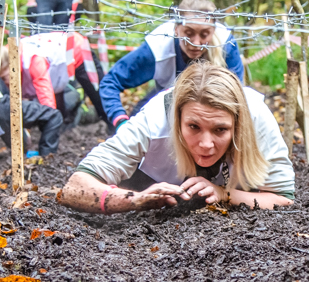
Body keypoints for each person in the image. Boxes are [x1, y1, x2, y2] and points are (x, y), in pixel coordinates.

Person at [59, 62, 294, 213]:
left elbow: (283, 199)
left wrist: (224, 194)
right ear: (176, 119)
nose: (206, 144)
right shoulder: (153, 120)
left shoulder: (256, 119)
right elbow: (75, 186)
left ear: (238, 125)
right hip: (150, 179)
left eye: (220, 130)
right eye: (193, 126)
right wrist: (135, 199)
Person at [99, 0, 245, 130]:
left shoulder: (226, 46)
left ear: (213, 30)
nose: (196, 43)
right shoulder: (157, 48)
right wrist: (120, 121)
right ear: (176, 29)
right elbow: (111, 82)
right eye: (188, 33)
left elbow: (238, 96)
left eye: (204, 34)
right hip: (166, 103)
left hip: (213, 112)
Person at [0, 31, 107, 126]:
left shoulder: (34, 62)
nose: (6, 82)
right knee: (60, 112)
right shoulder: (5, 58)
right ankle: (65, 127)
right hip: (54, 65)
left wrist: (49, 121)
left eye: (5, 78)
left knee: (99, 96)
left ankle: (112, 126)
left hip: (76, 50)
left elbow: (46, 97)